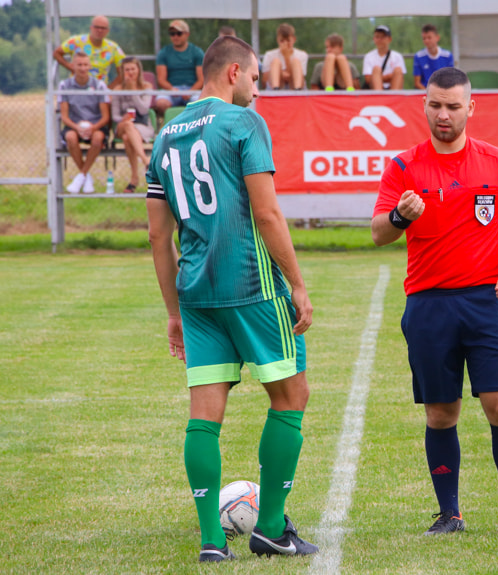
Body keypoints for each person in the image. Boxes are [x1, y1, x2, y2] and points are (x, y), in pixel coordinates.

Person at [146, 35, 317, 563]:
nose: (258, 88)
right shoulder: (245, 123)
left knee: (205, 415)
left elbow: (157, 235)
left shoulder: (163, 134)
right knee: (291, 397)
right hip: (250, 285)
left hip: (195, 291)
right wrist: (297, 282)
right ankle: (269, 529)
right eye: (257, 78)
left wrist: (173, 312)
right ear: (234, 72)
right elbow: (266, 214)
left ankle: (211, 541)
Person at [371, 67, 498, 537]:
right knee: (441, 412)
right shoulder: (403, 166)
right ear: (424, 104)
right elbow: (378, 232)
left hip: (488, 302)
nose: (443, 115)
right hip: (428, 305)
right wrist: (401, 215)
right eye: (435, 105)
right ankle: (450, 515)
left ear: (471, 107)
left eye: (453, 106)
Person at [59, 51, 111, 194]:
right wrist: (77, 127)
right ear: (73, 66)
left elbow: (105, 117)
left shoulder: (99, 85)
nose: (82, 68)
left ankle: (81, 176)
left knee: (98, 138)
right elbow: (64, 116)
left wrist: (93, 128)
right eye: (79, 65)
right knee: (70, 137)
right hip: (74, 125)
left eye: (85, 65)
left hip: (95, 126)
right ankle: (86, 176)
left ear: (90, 66)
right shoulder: (65, 85)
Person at [111, 57, 154, 193]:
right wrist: (123, 118)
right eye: (127, 70)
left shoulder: (147, 87)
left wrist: (133, 91)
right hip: (123, 125)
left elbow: (144, 110)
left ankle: (134, 179)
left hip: (142, 125)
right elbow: (115, 115)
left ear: (138, 70)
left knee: (127, 138)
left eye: (132, 69)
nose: (130, 72)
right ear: (122, 72)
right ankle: (146, 160)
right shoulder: (118, 89)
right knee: (128, 126)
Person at [53, 15, 125, 89]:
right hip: (76, 87)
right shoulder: (77, 41)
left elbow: (124, 71)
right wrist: (69, 66)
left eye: (103, 28)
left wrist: (109, 90)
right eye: (97, 27)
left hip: (99, 90)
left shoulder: (113, 48)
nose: (99, 30)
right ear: (91, 28)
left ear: (107, 31)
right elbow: (57, 53)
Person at [154, 20, 205, 114]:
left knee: (200, 105)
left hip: (193, 90)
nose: (175, 36)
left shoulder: (197, 52)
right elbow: (161, 80)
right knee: (161, 104)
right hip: (171, 90)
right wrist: (172, 90)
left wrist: (190, 92)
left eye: (179, 33)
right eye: (172, 34)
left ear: (187, 34)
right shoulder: (164, 53)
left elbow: (201, 80)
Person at [262, 23, 308, 90]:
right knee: (275, 62)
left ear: (294, 39)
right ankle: (276, 90)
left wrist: (287, 56)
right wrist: (280, 73)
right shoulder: (269, 55)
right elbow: (264, 81)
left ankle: (297, 90)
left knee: (296, 62)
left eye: (288, 41)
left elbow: (302, 77)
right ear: (277, 40)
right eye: (282, 41)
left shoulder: (302, 55)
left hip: (293, 84)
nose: (285, 44)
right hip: (278, 84)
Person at [363, 24, 406, 90]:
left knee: (398, 70)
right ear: (373, 39)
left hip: (392, 86)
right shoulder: (369, 56)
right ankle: (379, 96)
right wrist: (389, 76)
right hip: (375, 87)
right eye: (377, 37)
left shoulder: (397, 56)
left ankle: (395, 97)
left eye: (382, 37)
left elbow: (400, 76)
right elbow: (368, 79)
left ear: (389, 39)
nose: (380, 40)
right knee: (376, 69)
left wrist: (378, 77)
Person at [413, 24, 454, 89]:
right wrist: (429, 94)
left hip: (443, 92)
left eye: (429, 38)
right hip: (425, 92)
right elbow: (417, 83)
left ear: (437, 38)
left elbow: (451, 80)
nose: (426, 41)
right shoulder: (418, 56)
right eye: (424, 38)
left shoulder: (447, 56)